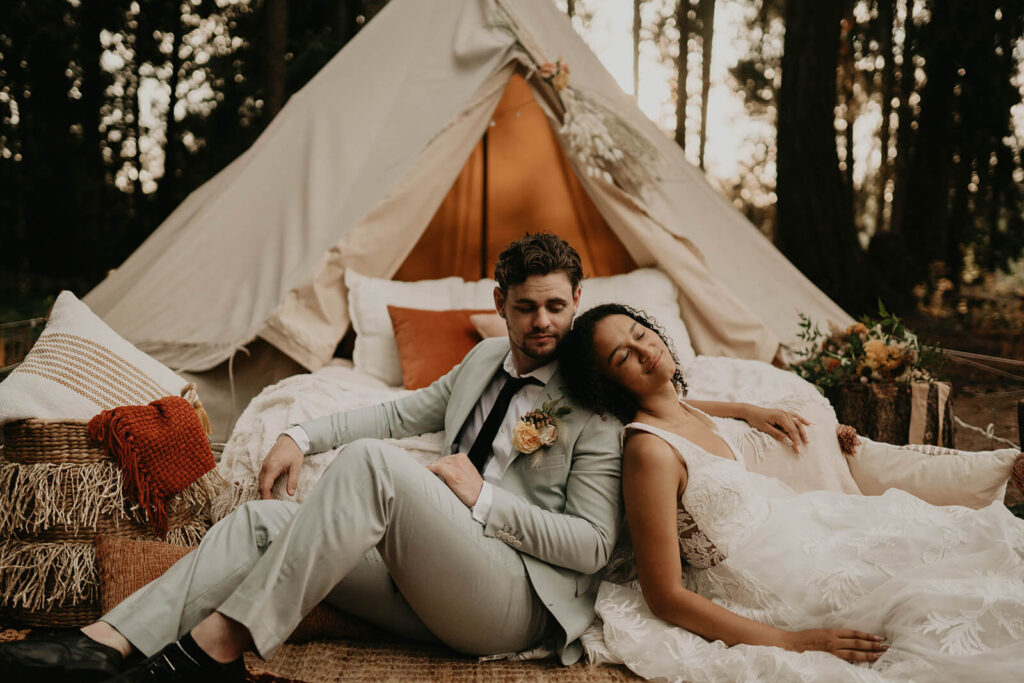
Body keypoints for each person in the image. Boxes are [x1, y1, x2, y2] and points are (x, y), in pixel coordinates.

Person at [0, 233, 628, 681]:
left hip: (513, 604)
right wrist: (298, 435)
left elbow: (594, 546)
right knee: (257, 524)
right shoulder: (483, 361)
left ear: (578, 300)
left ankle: (214, 650)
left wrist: (483, 496)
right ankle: (99, 647)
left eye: (556, 306)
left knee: (375, 466)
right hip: (432, 582)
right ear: (500, 304)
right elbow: (395, 413)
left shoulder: (595, 405)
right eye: (526, 307)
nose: (543, 321)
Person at [558, 303, 1024, 682]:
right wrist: (795, 642)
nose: (644, 351)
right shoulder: (649, 453)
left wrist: (747, 409)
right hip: (771, 582)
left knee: (959, 542)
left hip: (805, 529)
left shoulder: (681, 409)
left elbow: (682, 406)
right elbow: (664, 595)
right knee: (932, 607)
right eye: (623, 356)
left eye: (639, 333)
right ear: (610, 384)